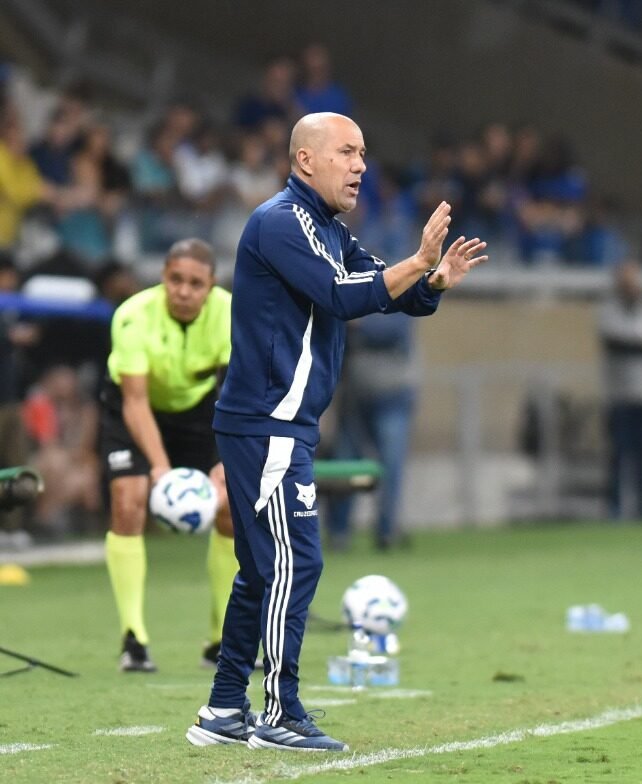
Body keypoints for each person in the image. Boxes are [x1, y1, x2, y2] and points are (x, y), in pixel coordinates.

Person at [187, 112, 486, 752]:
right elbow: (346, 296)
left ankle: (221, 710)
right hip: (267, 422)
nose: (360, 166)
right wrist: (416, 262)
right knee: (297, 563)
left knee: (261, 571)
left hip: (278, 424)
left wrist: (430, 278)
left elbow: (385, 288)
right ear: (305, 161)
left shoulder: (325, 227)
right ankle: (279, 710)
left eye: (364, 153)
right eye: (347, 152)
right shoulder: (280, 222)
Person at [99, 238, 234, 672]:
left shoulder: (232, 315)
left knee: (231, 504)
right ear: (162, 278)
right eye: (175, 280)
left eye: (196, 283)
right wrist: (161, 468)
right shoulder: (133, 316)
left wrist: (226, 458)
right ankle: (133, 638)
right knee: (128, 501)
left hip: (201, 410)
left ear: (211, 286)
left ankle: (221, 640)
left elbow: (242, 392)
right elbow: (135, 402)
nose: (184, 291)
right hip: (132, 409)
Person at [328, 312, 420, 551]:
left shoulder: (402, 286)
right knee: (344, 464)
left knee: (390, 467)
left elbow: (392, 330)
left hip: (393, 395)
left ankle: (386, 531)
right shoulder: (355, 281)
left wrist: (357, 322)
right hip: (354, 397)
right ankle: (339, 532)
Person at [598, 261, 642, 521]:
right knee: (618, 455)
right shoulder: (609, 311)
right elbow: (615, 343)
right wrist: (641, 345)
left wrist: (637, 345)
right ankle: (615, 508)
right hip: (619, 396)